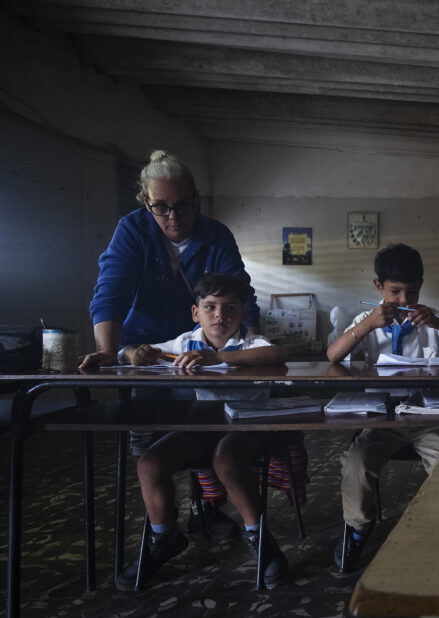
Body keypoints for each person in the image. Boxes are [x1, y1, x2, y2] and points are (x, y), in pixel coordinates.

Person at [82, 149, 260, 539]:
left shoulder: (216, 235)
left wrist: (244, 351)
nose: (173, 218)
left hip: (199, 346)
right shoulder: (131, 231)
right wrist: (111, 352)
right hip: (146, 350)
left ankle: (204, 507)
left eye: (182, 206)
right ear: (146, 204)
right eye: (161, 208)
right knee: (150, 439)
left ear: (196, 198)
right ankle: (161, 524)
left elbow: (240, 294)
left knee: (206, 423)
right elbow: (109, 293)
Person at [95, 273, 291, 590]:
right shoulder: (184, 342)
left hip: (248, 425)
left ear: (242, 313)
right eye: (210, 307)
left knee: (226, 460)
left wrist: (218, 357)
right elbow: (132, 353)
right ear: (195, 312)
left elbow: (277, 354)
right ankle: (164, 536)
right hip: (203, 425)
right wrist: (133, 354)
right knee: (150, 463)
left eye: (230, 308)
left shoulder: (251, 342)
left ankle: (258, 536)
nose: (220, 316)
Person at [327, 244, 439, 573]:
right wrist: (366, 325)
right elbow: (333, 356)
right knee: (356, 463)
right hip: (382, 418)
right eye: (395, 291)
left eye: (412, 291)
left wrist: (437, 323)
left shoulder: (428, 318)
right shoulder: (364, 322)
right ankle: (356, 528)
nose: (404, 300)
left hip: (429, 417)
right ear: (378, 286)